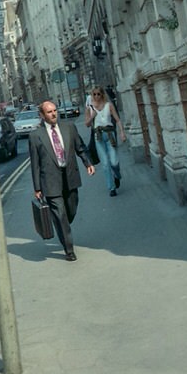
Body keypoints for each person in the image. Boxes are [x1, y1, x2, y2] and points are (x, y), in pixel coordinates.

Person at [29, 100, 95, 262]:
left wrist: (88, 163)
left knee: (70, 210)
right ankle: (69, 250)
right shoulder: (35, 136)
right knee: (60, 216)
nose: (53, 114)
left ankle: (63, 224)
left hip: (70, 176)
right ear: (42, 115)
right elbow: (35, 164)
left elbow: (80, 147)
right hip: (50, 181)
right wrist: (37, 187)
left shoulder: (69, 127)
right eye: (49, 112)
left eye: (55, 111)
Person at [85, 85, 128, 196]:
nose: (96, 96)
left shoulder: (108, 105)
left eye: (98, 94)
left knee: (114, 161)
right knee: (105, 163)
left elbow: (117, 120)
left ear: (102, 94)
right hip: (98, 136)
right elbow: (87, 124)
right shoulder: (89, 108)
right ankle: (111, 188)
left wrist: (122, 132)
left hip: (110, 134)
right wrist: (92, 116)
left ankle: (117, 176)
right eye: (94, 94)